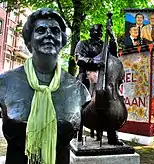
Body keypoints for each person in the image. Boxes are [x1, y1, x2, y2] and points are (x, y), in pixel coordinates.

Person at [0, 8, 91, 164]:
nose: (49, 34)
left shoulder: (78, 89)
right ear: (29, 41)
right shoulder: (5, 82)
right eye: (41, 30)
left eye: (55, 31)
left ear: (62, 41)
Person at [75, 24, 123, 145]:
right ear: (91, 32)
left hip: (102, 77)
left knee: (108, 100)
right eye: (97, 31)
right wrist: (93, 63)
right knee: (80, 93)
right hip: (87, 73)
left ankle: (112, 134)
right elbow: (79, 58)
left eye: (101, 32)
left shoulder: (104, 45)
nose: (99, 34)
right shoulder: (83, 43)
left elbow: (114, 54)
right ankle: (78, 127)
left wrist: (112, 36)